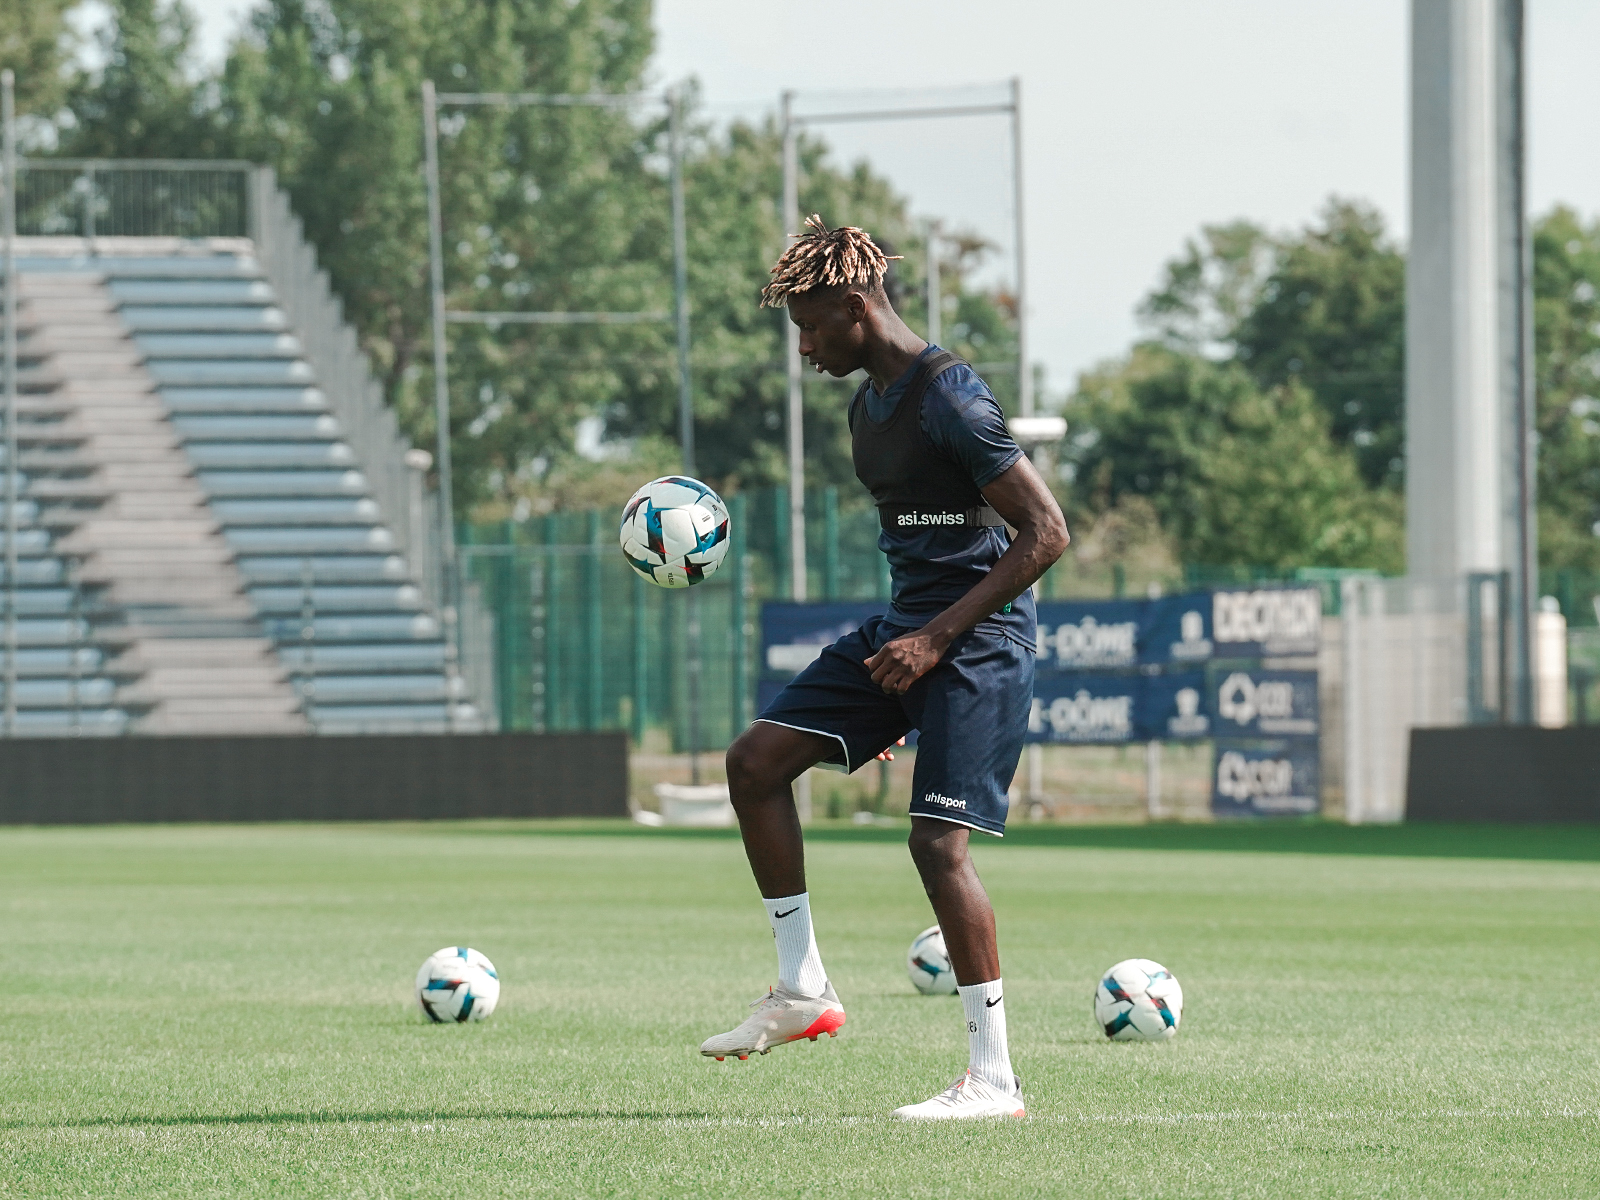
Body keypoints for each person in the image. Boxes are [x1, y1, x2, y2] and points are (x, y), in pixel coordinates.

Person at [700, 215, 1070, 1119]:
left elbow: (1047, 533)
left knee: (936, 847)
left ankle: (994, 1081)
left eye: (811, 326)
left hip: (976, 645)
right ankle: (803, 991)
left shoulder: (953, 399)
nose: (803, 347)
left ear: (856, 309)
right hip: (904, 635)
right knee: (754, 764)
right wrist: (909, 654)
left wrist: (938, 641)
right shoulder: (867, 406)